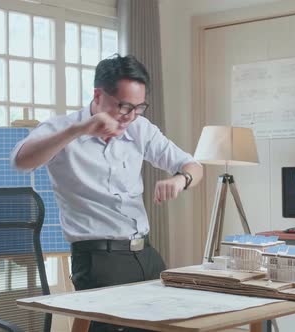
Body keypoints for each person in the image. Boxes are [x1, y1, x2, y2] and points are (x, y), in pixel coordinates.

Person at [11, 54, 203, 331]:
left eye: (139, 107)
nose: (131, 116)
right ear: (98, 95)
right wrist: (79, 130)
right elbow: (20, 161)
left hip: (146, 254)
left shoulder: (139, 128)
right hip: (99, 260)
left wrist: (180, 179)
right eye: (124, 106)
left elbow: (193, 166)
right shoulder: (62, 129)